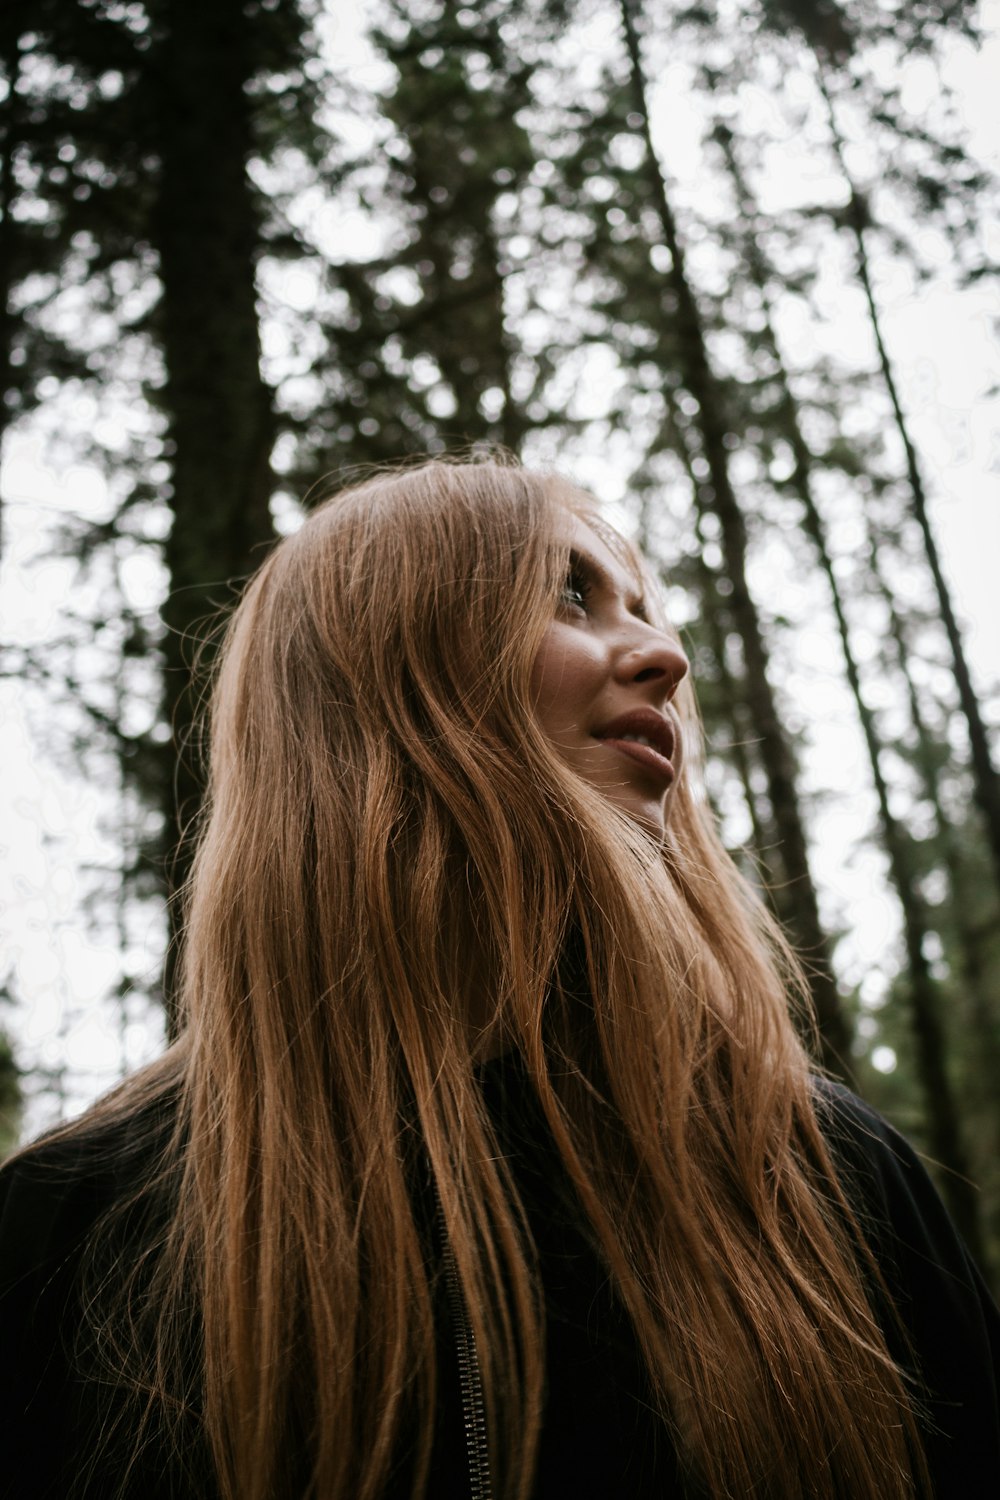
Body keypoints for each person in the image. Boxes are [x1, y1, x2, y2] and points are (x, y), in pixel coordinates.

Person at [1, 457, 997, 1500]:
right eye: (568, 593)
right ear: (376, 675)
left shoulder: (817, 1173)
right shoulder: (72, 1226)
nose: (665, 655)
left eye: (643, 609)